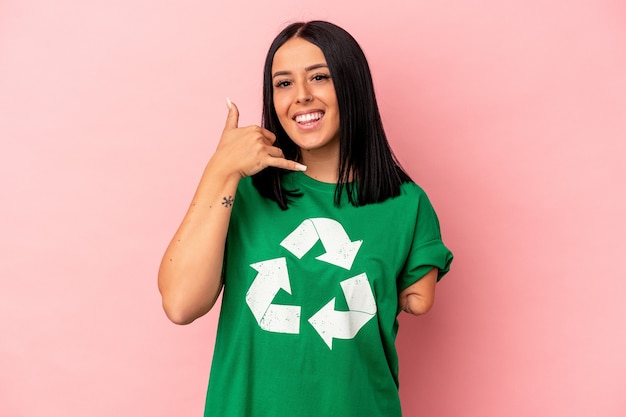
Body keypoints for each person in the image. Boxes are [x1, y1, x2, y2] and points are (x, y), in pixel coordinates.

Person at [158, 20, 453, 417]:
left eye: (319, 77)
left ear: (351, 85)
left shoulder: (407, 205)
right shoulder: (244, 191)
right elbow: (180, 305)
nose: (301, 96)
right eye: (283, 83)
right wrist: (220, 171)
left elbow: (418, 301)